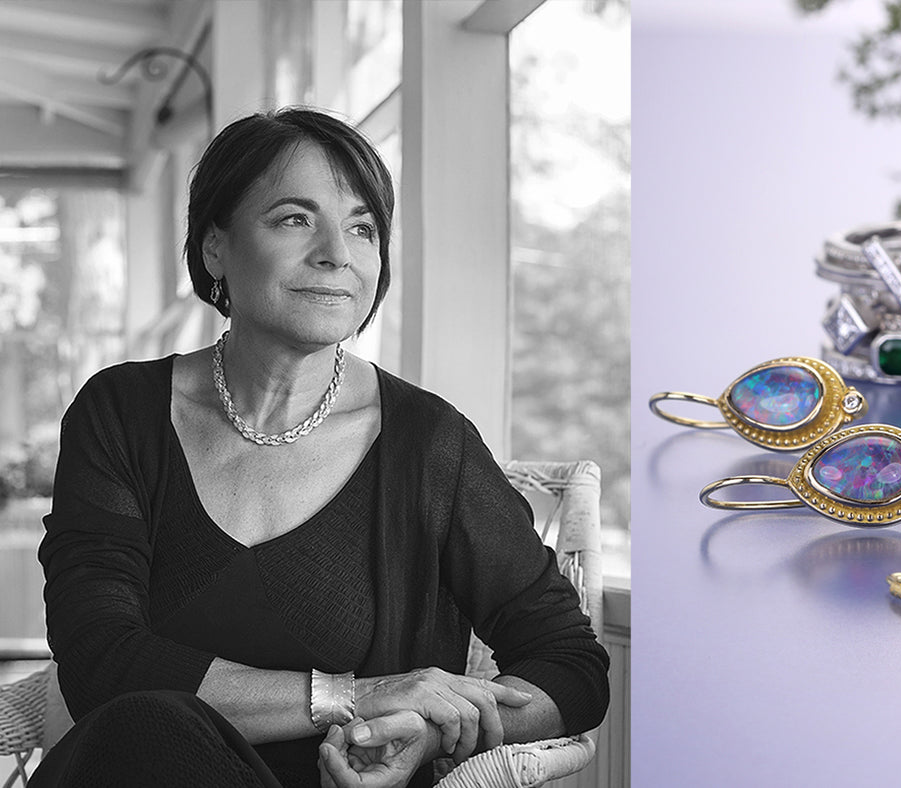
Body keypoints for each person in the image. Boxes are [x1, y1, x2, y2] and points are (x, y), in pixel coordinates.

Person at [32, 107, 609, 788]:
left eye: (363, 228)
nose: (337, 252)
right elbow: (99, 661)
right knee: (150, 726)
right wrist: (353, 696)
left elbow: (571, 667)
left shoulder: (430, 446)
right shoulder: (120, 413)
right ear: (215, 247)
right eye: (294, 219)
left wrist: (428, 730)